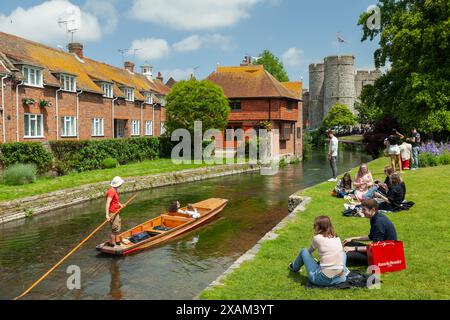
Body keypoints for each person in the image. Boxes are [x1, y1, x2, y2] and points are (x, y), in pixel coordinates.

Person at [288, 216, 349, 287]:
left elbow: (309, 252)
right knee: (343, 253)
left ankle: (294, 267)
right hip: (341, 278)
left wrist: (312, 260)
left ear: (318, 227)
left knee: (304, 251)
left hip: (323, 280)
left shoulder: (317, 238)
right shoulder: (336, 237)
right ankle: (345, 270)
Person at [343, 199, 398, 265]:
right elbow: (371, 237)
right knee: (349, 243)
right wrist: (352, 238)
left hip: (385, 256)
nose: (362, 212)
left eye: (364, 209)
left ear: (372, 210)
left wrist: (353, 249)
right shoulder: (375, 217)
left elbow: (375, 247)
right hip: (378, 249)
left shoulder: (378, 223)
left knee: (347, 255)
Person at [106, 176, 125, 247]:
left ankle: (117, 242)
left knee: (117, 228)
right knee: (114, 229)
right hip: (113, 213)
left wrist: (120, 205)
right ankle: (112, 245)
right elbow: (108, 203)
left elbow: (115, 201)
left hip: (116, 212)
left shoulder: (114, 190)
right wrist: (107, 215)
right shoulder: (111, 191)